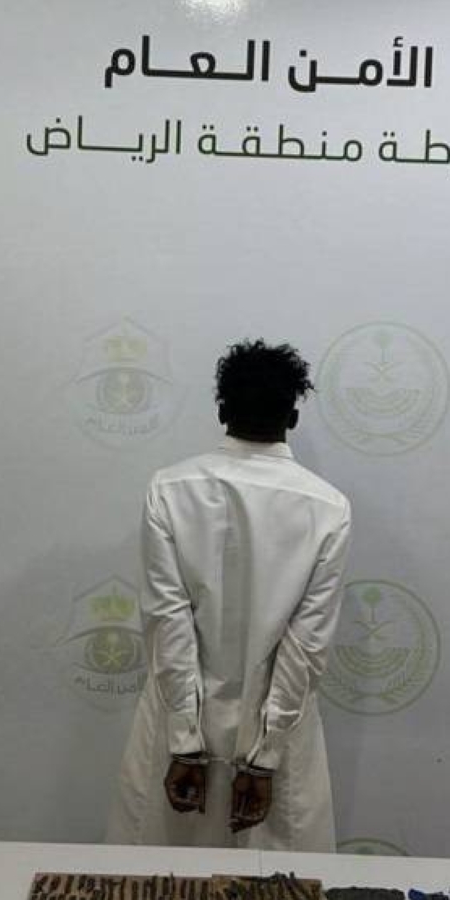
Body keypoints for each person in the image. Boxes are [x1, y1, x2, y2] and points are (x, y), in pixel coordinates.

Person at [107, 340, 351, 851]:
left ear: (221, 411)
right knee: (280, 893)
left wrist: (185, 744)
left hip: (177, 730)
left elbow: (168, 622)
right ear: (293, 417)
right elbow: (305, 647)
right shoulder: (327, 508)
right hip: (279, 743)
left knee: (160, 889)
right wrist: (265, 756)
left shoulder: (169, 489)